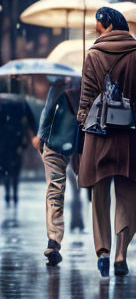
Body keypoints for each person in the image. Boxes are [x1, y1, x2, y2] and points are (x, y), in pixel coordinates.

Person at [77, 6, 136, 277]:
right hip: (131, 134)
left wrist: (81, 121)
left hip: (100, 134)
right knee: (128, 195)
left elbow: (86, 97)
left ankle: (103, 252)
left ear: (106, 23)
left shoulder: (93, 54)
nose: (94, 27)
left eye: (97, 22)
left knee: (99, 195)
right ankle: (122, 252)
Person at [35, 75, 83, 266]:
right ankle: (104, 248)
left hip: (56, 142)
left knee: (55, 189)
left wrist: (42, 138)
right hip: (82, 143)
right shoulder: (92, 80)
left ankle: (54, 241)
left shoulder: (58, 83)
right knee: (92, 187)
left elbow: (48, 112)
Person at [0, 95, 37, 206]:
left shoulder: (3, 103)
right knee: (15, 167)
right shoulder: (21, 103)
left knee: (7, 167)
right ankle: (14, 193)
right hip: (16, 139)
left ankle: (8, 193)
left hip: (5, 141)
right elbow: (30, 120)